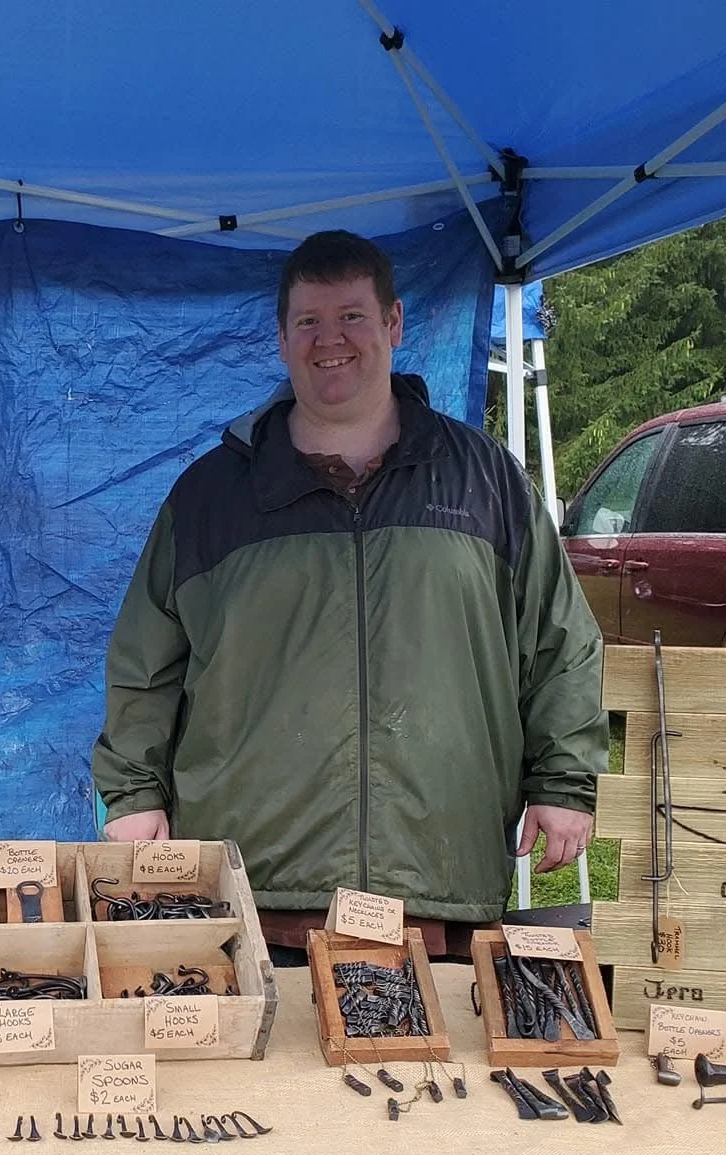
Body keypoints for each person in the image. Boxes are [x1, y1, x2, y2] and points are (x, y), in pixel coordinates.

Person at [92, 230, 604, 956]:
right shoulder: (210, 499)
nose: (329, 340)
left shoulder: (484, 480)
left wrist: (562, 782)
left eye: (352, 316)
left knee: (438, 1038)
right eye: (309, 321)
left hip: (439, 879)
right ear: (281, 339)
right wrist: (135, 795)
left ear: (393, 323)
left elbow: (560, 643)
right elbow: (145, 663)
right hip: (257, 893)